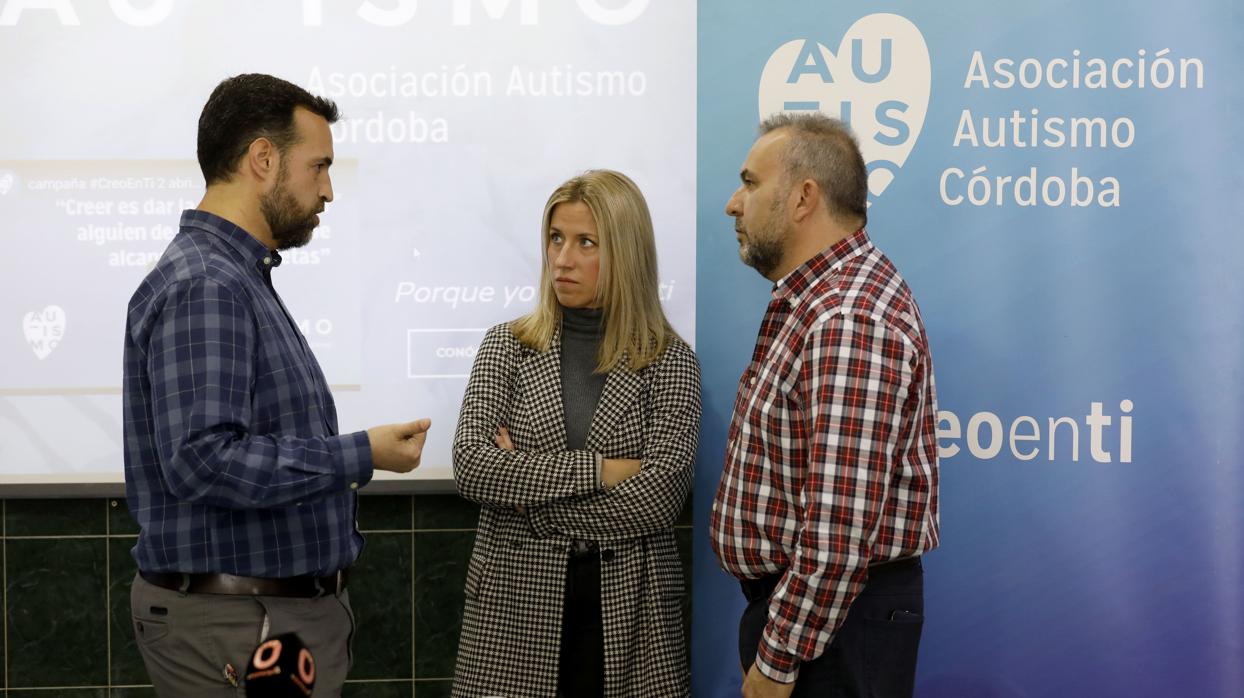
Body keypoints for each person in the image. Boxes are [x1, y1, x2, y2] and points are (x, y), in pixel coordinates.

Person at [123, 73, 431, 697]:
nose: (328, 190)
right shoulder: (208, 283)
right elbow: (203, 461)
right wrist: (362, 453)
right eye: (318, 167)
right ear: (263, 159)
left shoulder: (236, 275)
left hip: (258, 621)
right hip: (240, 624)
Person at [709, 112, 940, 698]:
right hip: (822, 621)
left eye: (751, 182)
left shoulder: (847, 315)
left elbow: (839, 525)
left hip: (829, 631)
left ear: (803, 197)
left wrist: (778, 660)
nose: (734, 203)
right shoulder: (823, 299)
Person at [451, 170, 701, 697]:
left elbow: (658, 500)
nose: (562, 259)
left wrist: (526, 501)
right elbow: (473, 467)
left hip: (631, 617)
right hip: (513, 615)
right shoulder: (508, 346)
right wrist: (603, 471)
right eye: (556, 238)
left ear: (625, 252)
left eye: (586, 242)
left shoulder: (669, 360)